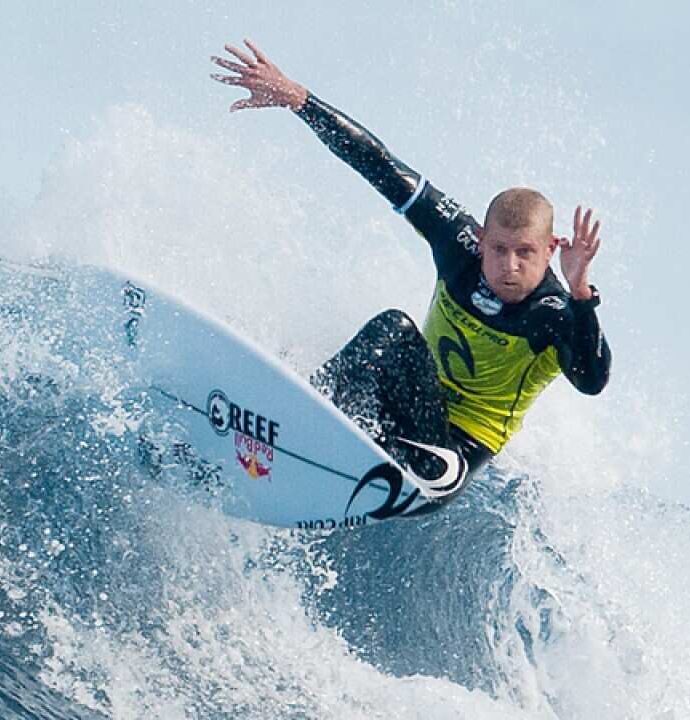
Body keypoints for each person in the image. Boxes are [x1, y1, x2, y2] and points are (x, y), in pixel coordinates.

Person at [211, 40, 611, 509]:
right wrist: (299, 98)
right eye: (498, 249)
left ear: (551, 250)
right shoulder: (456, 244)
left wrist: (581, 292)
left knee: (398, 332)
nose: (509, 265)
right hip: (402, 411)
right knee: (391, 331)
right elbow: (380, 164)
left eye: (525, 253)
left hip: (446, 456)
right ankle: (286, 422)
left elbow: (591, 380)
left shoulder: (555, 313)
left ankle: (298, 433)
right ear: (480, 239)